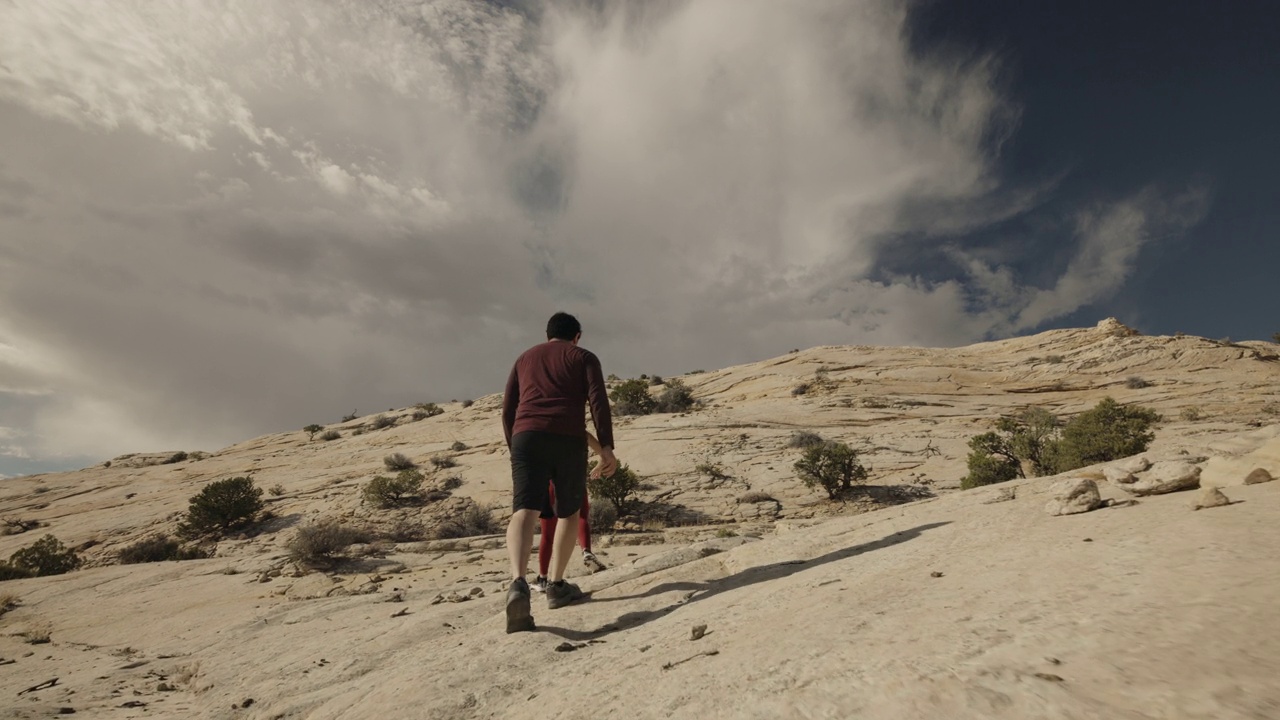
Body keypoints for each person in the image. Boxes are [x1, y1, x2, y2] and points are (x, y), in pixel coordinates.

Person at [502, 312, 616, 633]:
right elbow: (598, 400)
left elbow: (509, 407)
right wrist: (606, 446)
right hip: (567, 437)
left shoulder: (524, 358)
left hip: (526, 435)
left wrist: (516, 447)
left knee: (525, 509)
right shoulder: (583, 357)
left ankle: (518, 582)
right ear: (577, 335)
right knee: (568, 511)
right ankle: (556, 586)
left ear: (547, 334)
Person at [532, 431, 608, 594]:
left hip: (547, 483)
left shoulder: (538, 429)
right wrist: (601, 462)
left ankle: (543, 578)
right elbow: (597, 446)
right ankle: (586, 551)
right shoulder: (573, 426)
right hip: (573, 478)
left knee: (547, 534)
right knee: (581, 516)